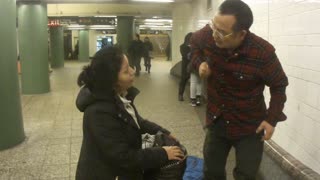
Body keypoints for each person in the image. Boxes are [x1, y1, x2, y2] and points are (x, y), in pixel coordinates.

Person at [190, 0, 289, 179]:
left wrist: (271, 119)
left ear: (241, 33)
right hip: (217, 119)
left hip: (250, 125)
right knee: (211, 172)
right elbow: (194, 45)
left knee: (246, 174)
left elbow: (279, 85)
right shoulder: (208, 35)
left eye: (222, 32)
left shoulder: (262, 52)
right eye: (213, 26)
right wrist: (200, 64)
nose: (214, 35)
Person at [75, 46, 184, 180]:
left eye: (130, 66)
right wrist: (162, 154)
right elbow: (123, 157)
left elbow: (137, 121)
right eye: (126, 71)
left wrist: (163, 132)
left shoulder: (118, 96)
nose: (133, 71)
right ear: (112, 80)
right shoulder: (99, 113)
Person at [178, 32, 193, 101]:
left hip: (193, 66)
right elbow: (185, 55)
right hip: (185, 66)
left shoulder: (194, 46)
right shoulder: (182, 46)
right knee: (183, 80)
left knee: (193, 82)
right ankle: (180, 94)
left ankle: (193, 97)